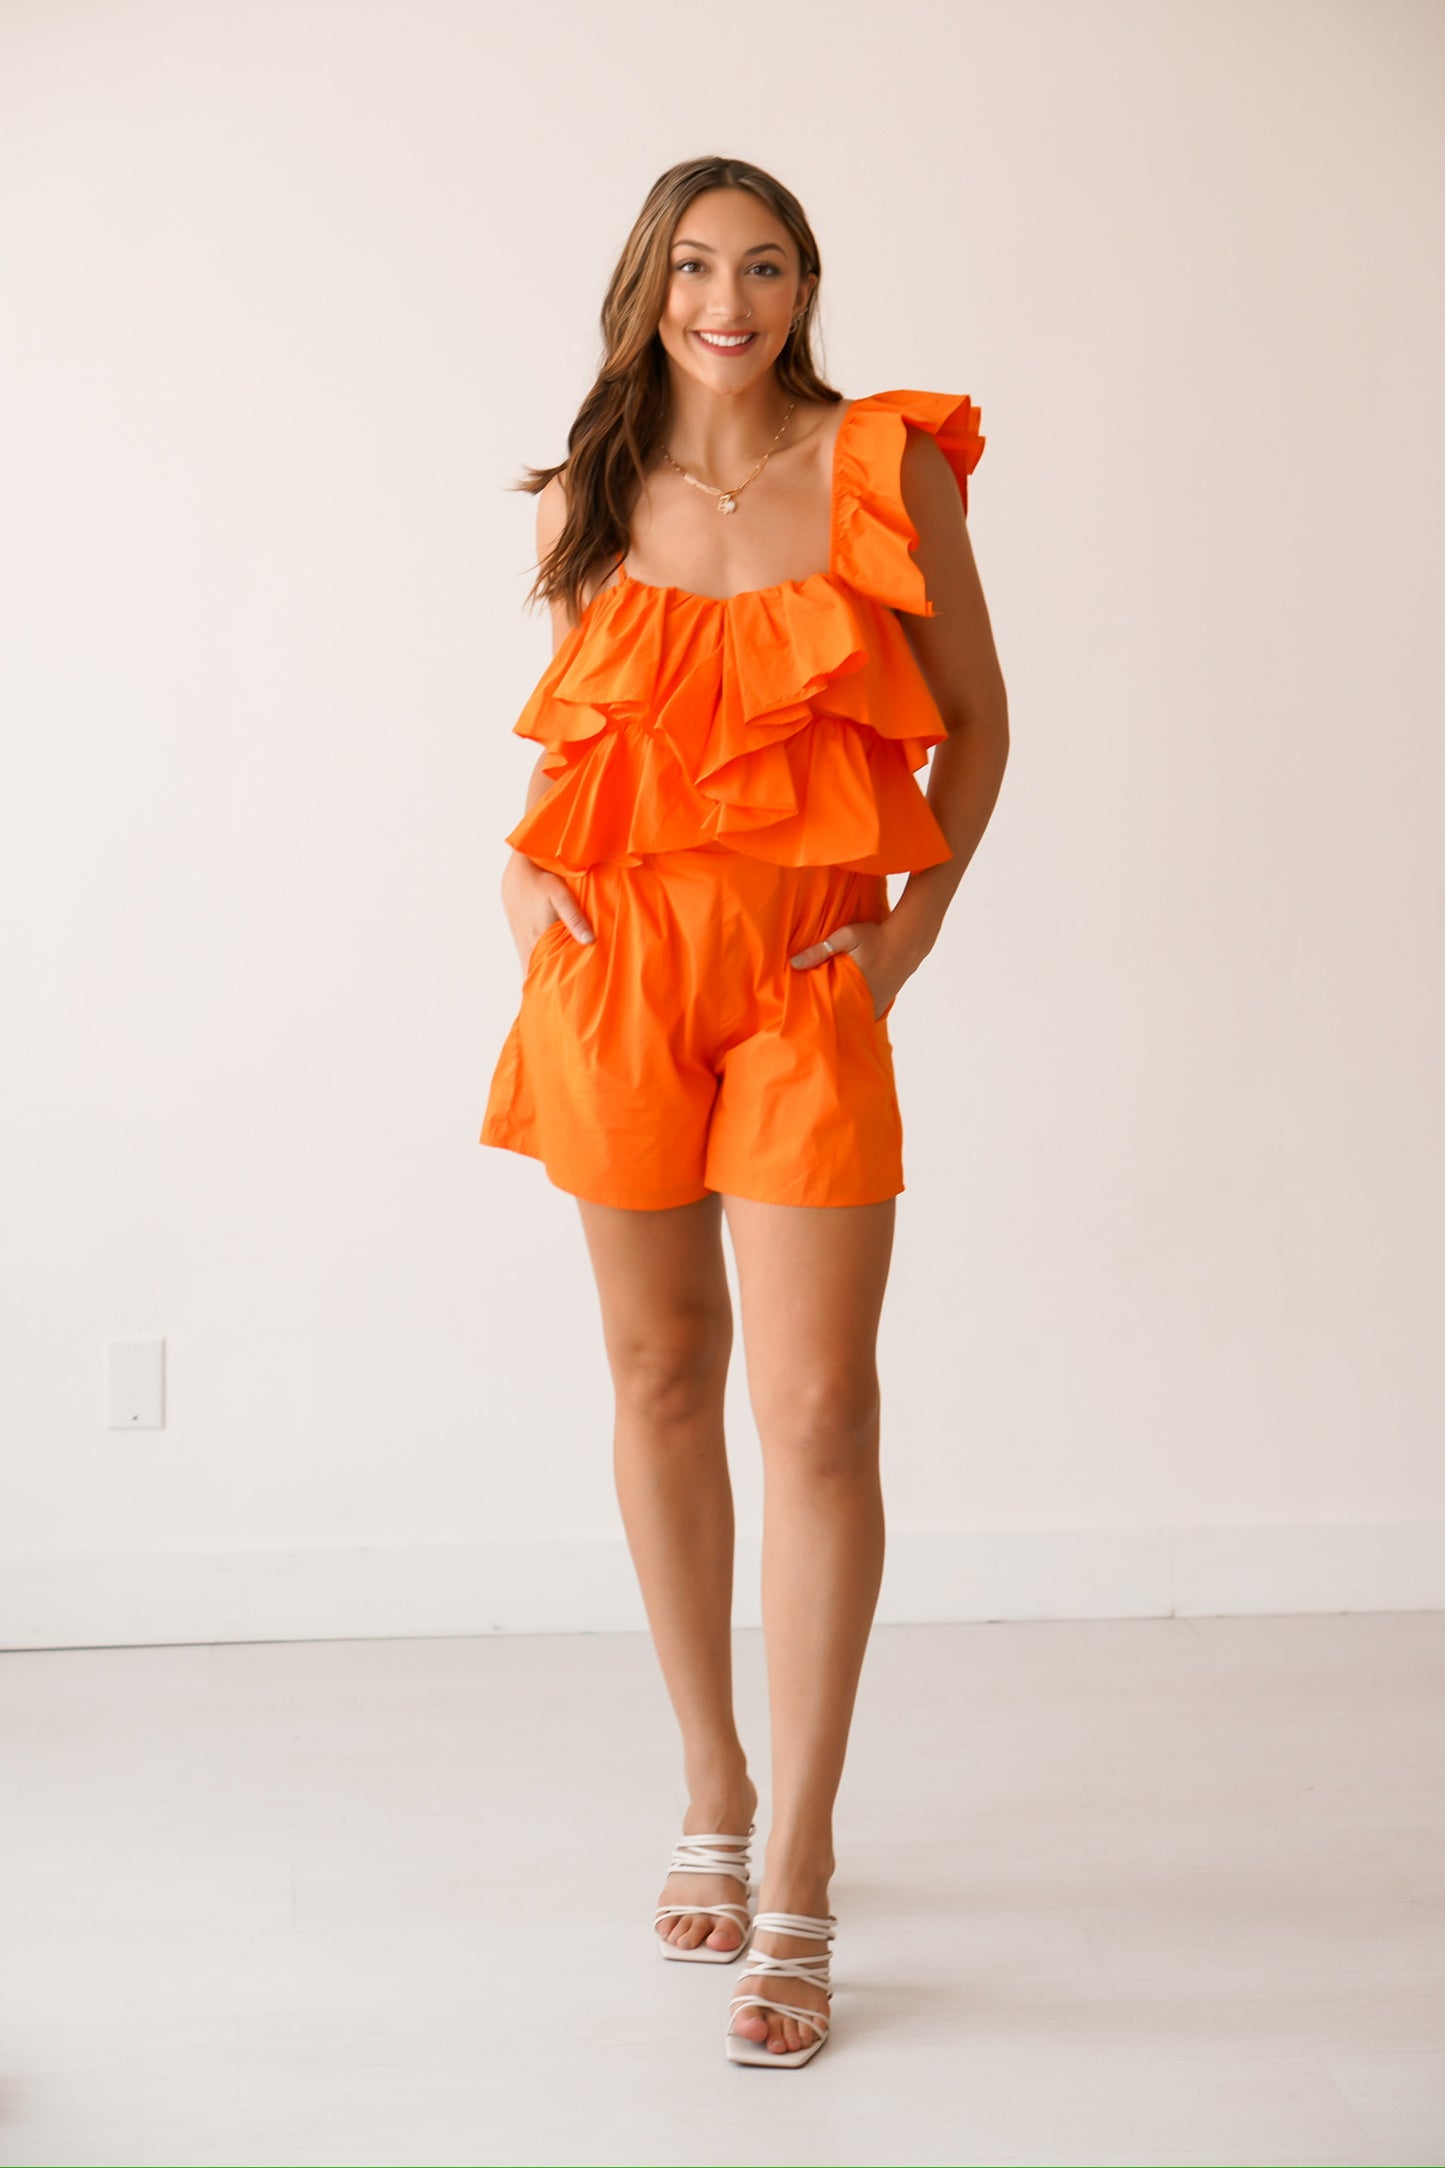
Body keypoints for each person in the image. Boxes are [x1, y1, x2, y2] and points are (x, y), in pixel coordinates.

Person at [480, 155, 1009, 2066]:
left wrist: (893, 952)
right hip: (614, 973)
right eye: (695, 265)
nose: (729, 297)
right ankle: (705, 1781)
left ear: (803, 285)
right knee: (658, 1377)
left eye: (764, 264)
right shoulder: (589, 493)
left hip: (803, 983)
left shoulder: (887, 468)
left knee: (819, 1407)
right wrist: (515, 887)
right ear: (645, 284)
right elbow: (576, 733)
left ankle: (798, 1859)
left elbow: (981, 726)